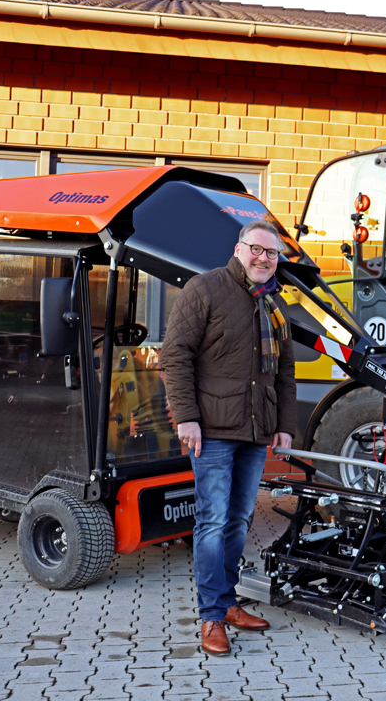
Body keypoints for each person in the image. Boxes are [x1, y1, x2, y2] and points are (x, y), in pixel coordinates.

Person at [161, 220, 296, 656]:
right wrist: (187, 417)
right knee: (213, 522)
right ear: (239, 249)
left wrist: (285, 424)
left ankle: (229, 599)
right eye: (256, 249)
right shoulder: (205, 289)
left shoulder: (274, 302)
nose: (263, 258)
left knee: (238, 521)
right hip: (213, 431)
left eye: (271, 253)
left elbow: (285, 373)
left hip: (255, 431)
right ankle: (211, 617)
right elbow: (175, 354)